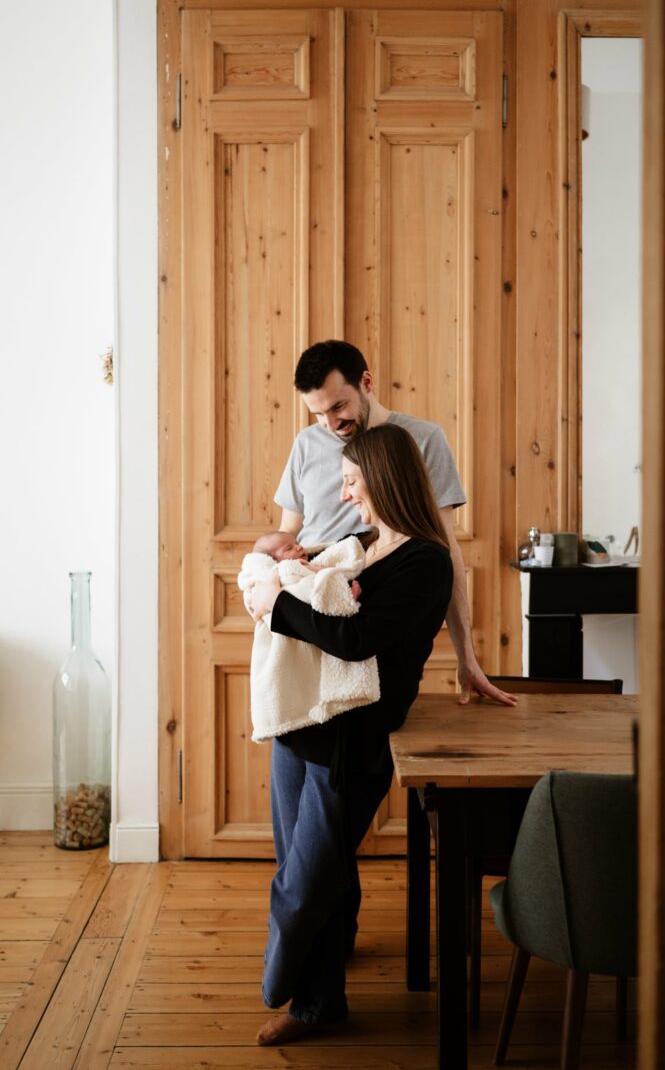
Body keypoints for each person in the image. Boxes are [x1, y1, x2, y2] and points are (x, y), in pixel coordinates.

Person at [248, 423, 454, 1046]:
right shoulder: (360, 545)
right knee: (315, 872)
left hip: (353, 743)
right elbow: (305, 580)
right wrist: (274, 580)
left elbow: (355, 639)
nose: (344, 495)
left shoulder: (425, 562)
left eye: (352, 482)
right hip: (301, 726)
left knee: (307, 882)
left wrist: (275, 605)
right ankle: (318, 1006)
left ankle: (278, 977)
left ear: (384, 481)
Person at [274, 340, 516, 707]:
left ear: (366, 383)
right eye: (318, 414)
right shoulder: (307, 443)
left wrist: (466, 656)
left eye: (338, 406)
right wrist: (267, 588)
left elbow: (445, 546)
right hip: (307, 613)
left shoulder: (423, 440)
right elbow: (287, 535)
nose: (331, 425)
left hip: (369, 620)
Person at [238, 534, 375, 742]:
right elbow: (310, 592)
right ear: (272, 560)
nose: (299, 548)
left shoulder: (297, 567)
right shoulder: (285, 572)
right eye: (289, 548)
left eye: (297, 543)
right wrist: (342, 592)